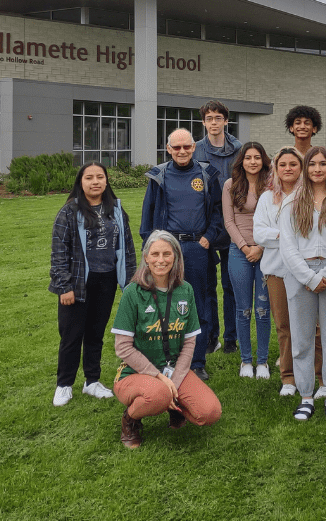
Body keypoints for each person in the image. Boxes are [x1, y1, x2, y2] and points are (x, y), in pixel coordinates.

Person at [111, 230, 222, 448]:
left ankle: (173, 405)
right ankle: (131, 419)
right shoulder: (133, 292)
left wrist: (175, 382)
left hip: (173, 370)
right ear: (146, 258)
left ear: (176, 257)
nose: (160, 260)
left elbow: (190, 343)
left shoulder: (185, 290)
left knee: (210, 412)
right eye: (155, 254)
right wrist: (160, 379)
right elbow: (123, 348)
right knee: (158, 394)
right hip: (135, 373)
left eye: (166, 254)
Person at [49, 162, 137, 407]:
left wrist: (129, 284)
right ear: (81, 182)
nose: (95, 181)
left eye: (100, 177)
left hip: (106, 279)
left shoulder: (116, 210)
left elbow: (127, 249)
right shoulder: (69, 212)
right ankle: (64, 385)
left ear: (106, 181)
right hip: (77, 283)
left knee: (96, 334)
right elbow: (59, 252)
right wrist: (63, 286)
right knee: (71, 336)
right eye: (89, 177)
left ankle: (92, 381)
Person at [140, 128, 225, 381]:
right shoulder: (159, 176)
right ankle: (167, 359)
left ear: (193, 147)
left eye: (186, 147)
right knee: (164, 305)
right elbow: (148, 216)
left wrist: (207, 238)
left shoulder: (207, 174)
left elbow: (219, 212)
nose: (182, 151)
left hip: (197, 248)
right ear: (168, 149)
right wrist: (152, 249)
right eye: (176, 148)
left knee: (199, 304)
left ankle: (197, 362)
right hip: (167, 250)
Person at [279, 146, 326, 421]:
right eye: (313, 164)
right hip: (300, 275)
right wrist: (309, 277)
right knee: (302, 338)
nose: (317, 169)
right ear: (305, 168)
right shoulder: (292, 202)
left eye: (323, 164)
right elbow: (287, 245)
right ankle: (306, 395)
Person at [254, 147, 323, 396]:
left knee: (314, 327)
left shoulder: (313, 195)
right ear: (275, 168)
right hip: (277, 271)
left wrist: (286, 238)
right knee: (284, 325)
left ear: (301, 167)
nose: (288, 169)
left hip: (307, 269)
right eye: (282, 164)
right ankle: (289, 378)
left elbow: (317, 234)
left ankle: (321, 378)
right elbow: (259, 234)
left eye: (293, 164)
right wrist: (286, 235)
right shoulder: (266, 198)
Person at [193, 100, 241, 355]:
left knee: (231, 286)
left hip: (235, 225)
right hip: (207, 227)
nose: (213, 122)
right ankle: (211, 337)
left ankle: (231, 338)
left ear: (225, 121)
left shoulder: (239, 149)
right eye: (209, 118)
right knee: (208, 286)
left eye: (218, 118)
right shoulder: (195, 150)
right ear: (204, 122)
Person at [222, 142, 273, 379]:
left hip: (267, 252)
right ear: (241, 161)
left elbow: (277, 220)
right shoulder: (230, 185)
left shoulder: (272, 185)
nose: (253, 162)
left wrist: (260, 247)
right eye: (248, 157)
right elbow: (229, 221)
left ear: (263, 160)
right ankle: (246, 361)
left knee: (263, 308)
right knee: (243, 309)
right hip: (238, 252)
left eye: (257, 157)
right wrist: (245, 247)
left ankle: (262, 361)